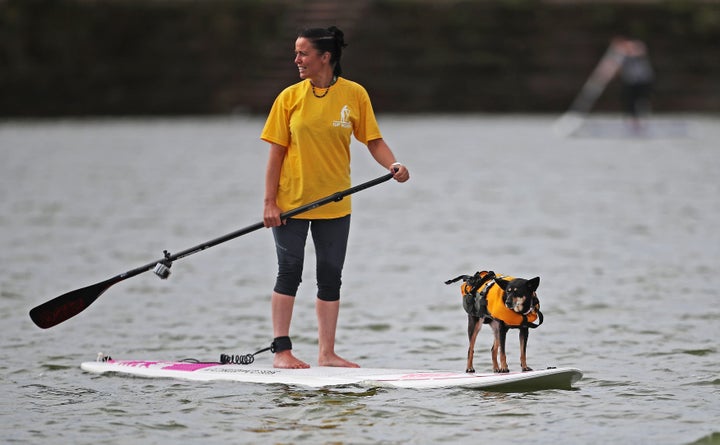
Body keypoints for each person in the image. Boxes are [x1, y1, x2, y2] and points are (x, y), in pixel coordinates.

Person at [260, 26, 410, 369]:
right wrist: (270, 202)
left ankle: (326, 354)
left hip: (336, 202)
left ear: (325, 57)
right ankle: (282, 351)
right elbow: (275, 154)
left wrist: (394, 164)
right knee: (290, 271)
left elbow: (373, 140)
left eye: (303, 53)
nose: (296, 59)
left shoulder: (354, 94)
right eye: (296, 53)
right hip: (291, 203)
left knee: (330, 275)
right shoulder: (289, 97)